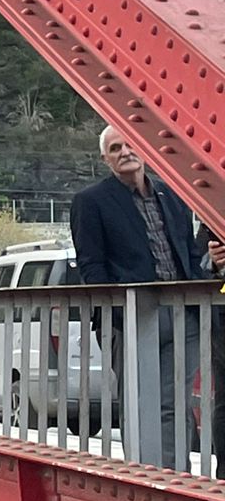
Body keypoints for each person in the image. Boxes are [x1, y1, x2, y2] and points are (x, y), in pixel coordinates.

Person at [72, 126, 204, 468]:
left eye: (130, 143)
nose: (125, 152)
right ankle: (144, 476)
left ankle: (179, 477)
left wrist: (202, 290)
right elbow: (91, 266)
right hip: (131, 317)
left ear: (144, 147)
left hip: (180, 315)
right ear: (105, 158)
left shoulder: (171, 195)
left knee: (175, 402)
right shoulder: (91, 202)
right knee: (138, 401)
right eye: (116, 148)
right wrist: (118, 316)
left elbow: (188, 254)